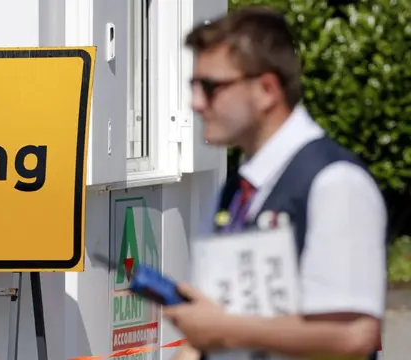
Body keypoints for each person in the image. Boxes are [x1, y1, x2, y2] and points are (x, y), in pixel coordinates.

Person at [163, 5, 387, 360]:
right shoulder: (234, 190)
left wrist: (223, 330)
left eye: (210, 86)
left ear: (267, 89)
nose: (195, 103)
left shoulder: (334, 182)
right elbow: (210, 329)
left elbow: (353, 334)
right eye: (194, 86)